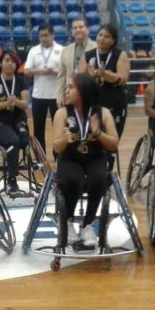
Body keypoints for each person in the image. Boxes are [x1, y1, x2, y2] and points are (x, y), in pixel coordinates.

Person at [53, 73, 119, 246]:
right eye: (66, 87)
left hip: (95, 157)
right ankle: (67, 222)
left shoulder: (103, 113)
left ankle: (87, 225)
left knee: (99, 178)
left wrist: (99, 133)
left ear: (83, 90)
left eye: (71, 87)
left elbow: (113, 145)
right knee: (73, 179)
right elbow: (56, 148)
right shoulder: (62, 113)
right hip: (70, 158)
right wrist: (65, 140)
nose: (66, 91)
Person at [0, 49, 30, 196]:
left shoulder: (21, 80)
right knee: (14, 141)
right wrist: (7, 104)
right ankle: (11, 180)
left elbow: (24, 104)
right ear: (0, 63)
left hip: (18, 119)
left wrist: (15, 101)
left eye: (12, 61)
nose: (10, 63)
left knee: (25, 141)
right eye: (6, 60)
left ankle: (25, 166)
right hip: (0, 120)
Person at [78, 23, 130, 138]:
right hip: (93, 105)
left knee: (111, 139)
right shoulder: (87, 55)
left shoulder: (120, 54)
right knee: (92, 138)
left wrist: (104, 74)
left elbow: (123, 79)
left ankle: (109, 156)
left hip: (115, 104)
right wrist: (89, 77)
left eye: (106, 36)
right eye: (100, 35)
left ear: (113, 40)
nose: (102, 38)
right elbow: (80, 82)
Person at [24, 24, 63, 152]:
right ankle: (40, 156)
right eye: (41, 36)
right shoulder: (33, 50)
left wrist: (54, 71)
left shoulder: (62, 50)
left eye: (46, 35)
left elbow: (67, 71)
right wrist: (41, 71)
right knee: (38, 127)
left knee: (59, 126)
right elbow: (26, 71)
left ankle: (58, 154)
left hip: (57, 95)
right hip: (39, 95)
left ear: (53, 35)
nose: (43, 38)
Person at [57, 18, 97, 109]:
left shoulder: (97, 47)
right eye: (75, 28)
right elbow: (61, 76)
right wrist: (59, 97)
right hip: (71, 95)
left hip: (91, 94)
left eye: (81, 27)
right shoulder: (65, 50)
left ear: (87, 29)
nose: (78, 30)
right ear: (72, 31)